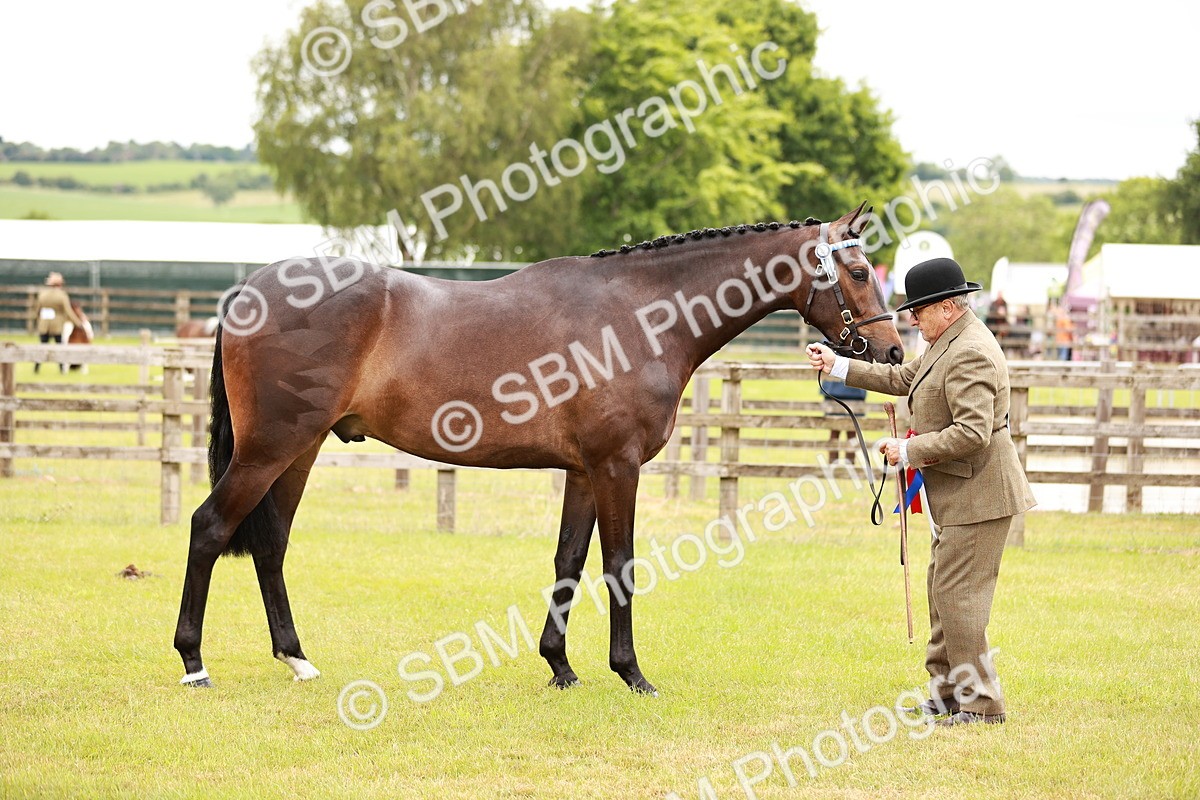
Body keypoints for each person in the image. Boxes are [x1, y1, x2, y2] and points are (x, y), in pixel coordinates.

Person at [807, 257, 1036, 727]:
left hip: (980, 495)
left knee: (960, 599)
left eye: (919, 310)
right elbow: (905, 379)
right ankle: (946, 695)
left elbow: (972, 433)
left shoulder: (970, 350)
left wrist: (909, 451)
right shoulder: (947, 341)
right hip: (960, 494)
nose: (911, 318)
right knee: (943, 593)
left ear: (948, 307)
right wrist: (839, 366)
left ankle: (981, 705)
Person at [34, 272, 84, 374]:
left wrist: (38, 321)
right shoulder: (62, 295)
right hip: (57, 326)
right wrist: (78, 323)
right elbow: (68, 311)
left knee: (42, 347)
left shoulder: (42, 294)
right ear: (59, 284)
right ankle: (61, 369)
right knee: (59, 348)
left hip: (44, 325)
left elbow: (37, 310)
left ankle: (37, 368)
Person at [819, 374, 867, 464]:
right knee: (842, 432)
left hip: (844, 390)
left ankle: (842, 464)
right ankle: (840, 464)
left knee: (846, 432)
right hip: (840, 391)